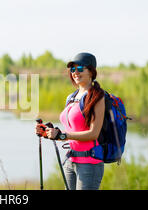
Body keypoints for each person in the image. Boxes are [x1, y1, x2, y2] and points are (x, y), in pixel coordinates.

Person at [36, 52, 106, 190]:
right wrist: (50, 132)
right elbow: (71, 133)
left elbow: (93, 134)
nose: (75, 72)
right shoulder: (71, 97)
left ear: (91, 71)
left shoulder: (97, 97)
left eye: (80, 68)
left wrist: (63, 135)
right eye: (72, 69)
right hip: (70, 161)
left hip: (89, 164)